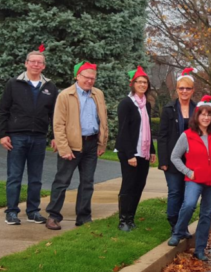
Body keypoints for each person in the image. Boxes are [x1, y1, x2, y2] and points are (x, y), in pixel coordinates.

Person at [0, 44, 59, 225]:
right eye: (33, 62)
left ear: (44, 66)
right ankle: (12, 212)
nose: (36, 65)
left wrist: (54, 136)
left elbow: (55, 114)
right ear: (26, 64)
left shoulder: (49, 87)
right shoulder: (14, 84)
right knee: (14, 176)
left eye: (40, 62)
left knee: (36, 178)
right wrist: (3, 134)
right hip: (16, 137)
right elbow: (3, 111)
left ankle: (33, 211)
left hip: (39, 138)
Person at [46, 61, 108, 230]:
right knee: (62, 180)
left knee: (87, 182)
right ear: (77, 77)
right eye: (86, 77)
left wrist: (102, 143)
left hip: (91, 143)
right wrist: (64, 148)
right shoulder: (66, 95)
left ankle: (83, 216)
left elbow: (102, 120)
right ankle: (53, 216)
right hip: (72, 145)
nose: (89, 81)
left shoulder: (98, 94)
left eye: (92, 78)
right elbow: (58, 124)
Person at [167, 96, 211, 261]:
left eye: (209, 114)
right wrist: (187, 171)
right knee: (189, 205)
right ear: (197, 116)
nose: (206, 117)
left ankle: (200, 249)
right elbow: (174, 157)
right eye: (203, 114)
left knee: (206, 214)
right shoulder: (187, 135)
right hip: (194, 179)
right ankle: (178, 231)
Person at [115, 66, 156, 232]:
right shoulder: (126, 104)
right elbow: (123, 131)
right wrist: (130, 154)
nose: (142, 85)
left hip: (143, 152)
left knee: (139, 185)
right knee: (129, 185)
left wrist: (152, 150)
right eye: (139, 82)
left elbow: (147, 128)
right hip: (129, 152)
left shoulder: (146, 104)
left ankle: (131, 218)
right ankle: (123, 220)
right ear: (132, 84)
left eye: (145, 82)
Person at [158, 67, 198, 237]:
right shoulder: (169, 109)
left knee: (187, 195)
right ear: (176, 90)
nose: (184, 91)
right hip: (173, 160)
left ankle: (182, 225)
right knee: (175, 191)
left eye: (187, 88)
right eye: (181, 88)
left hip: (191, 160)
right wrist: (163, 161)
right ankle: (174, 224)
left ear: (192, 90)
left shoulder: (197, 109)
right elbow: (162, 136)